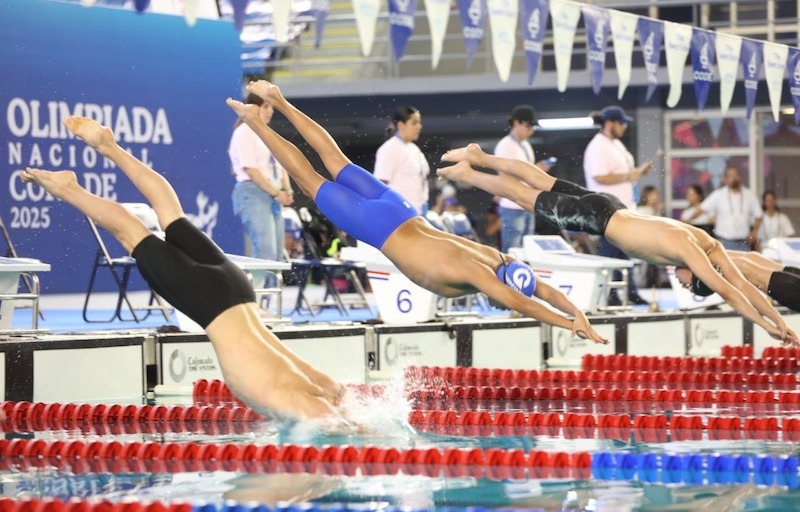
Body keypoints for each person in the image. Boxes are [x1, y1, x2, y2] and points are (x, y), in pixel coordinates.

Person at [226, 81, 608, 344]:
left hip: (402, 209)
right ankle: (256, 122)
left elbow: (539, 289)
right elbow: (522, 301)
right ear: (506, 283)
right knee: (308, 178)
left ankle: (281, 101)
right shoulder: (479, 273)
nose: (496, 301)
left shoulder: (499, 258)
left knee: (334, 159)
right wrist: (569, 323)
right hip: (381, 227)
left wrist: (579, 313)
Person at [22, 117, 346, 423]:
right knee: (132, 231)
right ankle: (70, 188)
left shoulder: (311, 388)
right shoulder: (309, 396)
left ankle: (110, 147)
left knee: (171, 214)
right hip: (217, 301)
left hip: (235, 290)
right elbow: (333, 408)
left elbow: (334, 394)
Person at [437, 143, 798, 345]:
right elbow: (730, 291)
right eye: (686, 282)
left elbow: (742, 282)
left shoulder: (707, 244)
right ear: (698, 274)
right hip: (599, 220)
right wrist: (766, 326)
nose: (679, 278)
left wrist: (774, 319)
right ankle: (470, 172)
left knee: (541, 180)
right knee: (524, 196)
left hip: (612, 207)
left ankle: (481, 156)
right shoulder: (693, 254)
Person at [583, 105, 653, 305]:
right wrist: (627, 175)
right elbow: (599, 176)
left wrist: (637, 172)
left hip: (624, 208)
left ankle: (629, 290)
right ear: (609, 123)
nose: (624, 127)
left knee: (626, 250)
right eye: (621, 123)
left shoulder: (616, 144)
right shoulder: (598, 146)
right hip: (607, 208)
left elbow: (625, 173)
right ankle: (609, 294)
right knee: (611, 252)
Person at [228, 93, 294, 287]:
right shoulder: (244, 132)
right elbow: (251, 170)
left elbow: (280, 164)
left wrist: (287, 190)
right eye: (266, 106)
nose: (271, 111)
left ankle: (265, 302)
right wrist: (276, 193)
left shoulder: (266, 132)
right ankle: (252, 302)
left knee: (275, 256)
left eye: (271, 107)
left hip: (273, 194)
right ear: (253, 108)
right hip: (253, 192)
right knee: (263, 252)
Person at [495, 105, 553, 252]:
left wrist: (535, 169)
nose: (531, 130)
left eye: (533, 126)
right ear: (516, 123)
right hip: (512, 203)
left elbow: (524, 171)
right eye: (528, 125)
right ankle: (508, 276)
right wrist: (535, 171)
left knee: (528, 250)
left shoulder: (525, 145)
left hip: (527, 202)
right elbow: (505, 174)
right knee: (513, 250)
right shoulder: (505, 145)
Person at [677, 251, 800, 313]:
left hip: (788, 286)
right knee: (749, 267)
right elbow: (749, 258)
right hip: (790, 277)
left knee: (752, 273)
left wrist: (774, 322)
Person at [373, 106, 430, 213]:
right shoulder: (390, 148)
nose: (419, 126)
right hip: (398, 212)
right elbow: (379, 185)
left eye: (419, 123)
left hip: (417, 209)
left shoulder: (414, 149)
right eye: (414, 123)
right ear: (401, 125)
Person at [700, 165, 762, 251]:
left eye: (736, 175)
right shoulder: (719, 194)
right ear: (725, 179)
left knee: (744, 264)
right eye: (730, 175)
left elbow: (758, 215)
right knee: (724, 264)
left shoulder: (749, 195)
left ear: (740, 177)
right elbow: (702, 208)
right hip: (724, 241)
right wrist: (686, 220)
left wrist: (754, 232)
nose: (734, 178)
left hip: (743, 242)